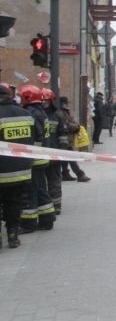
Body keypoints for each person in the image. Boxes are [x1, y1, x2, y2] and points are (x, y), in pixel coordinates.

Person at [0, 82, 35, 250]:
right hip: (22, 170)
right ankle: (13, 235)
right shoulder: (26, 114)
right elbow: (34, 141)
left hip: (1, 171)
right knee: (14, 203)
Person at [18, 85, 56, 232]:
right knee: (41, 189)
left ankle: (29, 223)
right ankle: (47, 219)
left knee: (31, 190)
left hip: (34, 158)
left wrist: (29, 152)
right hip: (41, 157)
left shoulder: (31, 113)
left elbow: (37, 136)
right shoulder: (41, 112)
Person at [41, 88, 66, 214]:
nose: (43, 102)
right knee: (41, 182)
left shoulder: (58, 115)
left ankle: (56, 206)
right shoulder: (37, 114)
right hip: (40, 154)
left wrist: (61, 153)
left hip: (54, 153)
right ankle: (46, 205)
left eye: (46, 100)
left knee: (54, 181)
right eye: (42, 100)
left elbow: (63, 135)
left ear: (51, 101)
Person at [58, 96, 90, 183]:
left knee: (65, 157)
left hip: (66, 140)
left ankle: (65, 173)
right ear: (64, 103)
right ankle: (80, 174)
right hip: (64, 140)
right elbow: (66, 125)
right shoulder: (61, 113)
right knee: (71, 157)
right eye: (67, 103)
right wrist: (76, 127)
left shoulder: (64, 112)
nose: (68, 104)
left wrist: (76, 125)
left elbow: (71, 121)